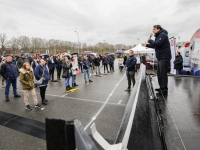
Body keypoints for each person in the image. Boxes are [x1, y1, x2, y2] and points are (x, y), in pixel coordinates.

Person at [142, 25, 171, 94]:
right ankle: (161, 87)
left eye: (154, 29)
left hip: (164, 57)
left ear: (158, 29)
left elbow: (158, 44)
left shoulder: (163, 35)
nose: (153, 30)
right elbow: (156, 46)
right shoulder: (158, 36)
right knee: (159, 74)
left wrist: (150, 40)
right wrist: (146, 45)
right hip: (161, 57)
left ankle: (164, 90)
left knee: (163, 74)